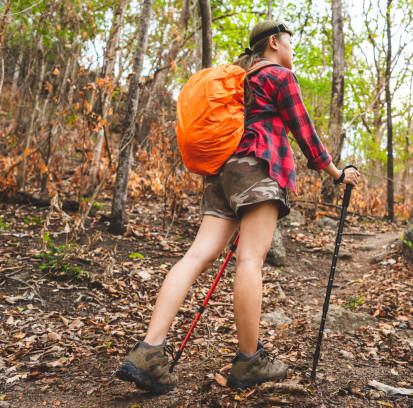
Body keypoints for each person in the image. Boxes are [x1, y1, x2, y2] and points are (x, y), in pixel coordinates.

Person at [115, 20, 361, 394]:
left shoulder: (239, 79)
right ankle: (249, 361)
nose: (292, 52)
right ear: (274, 43)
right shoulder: (278, 76)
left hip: (222, 175)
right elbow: (304, 129)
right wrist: (335, 172)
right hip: (259, 170)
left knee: (195, 256)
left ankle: (148, 350)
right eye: (290, 44)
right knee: (250, 260)